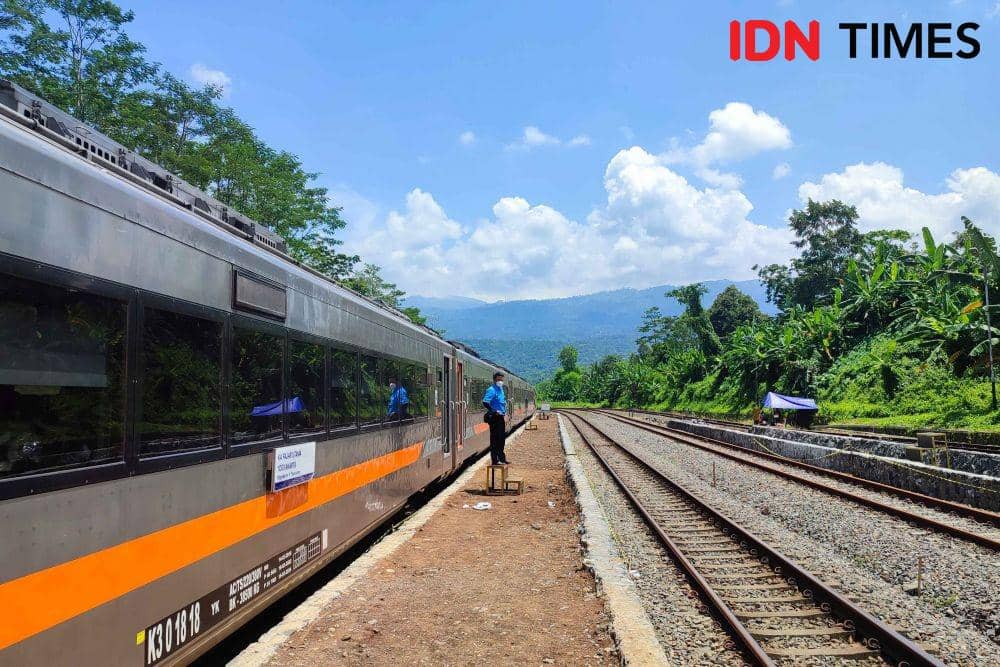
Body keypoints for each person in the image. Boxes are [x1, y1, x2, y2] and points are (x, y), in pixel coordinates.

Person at [482, 372, 508, 465]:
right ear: (494, 380)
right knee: (495, 440)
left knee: (501, 439)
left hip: (501, 417)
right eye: (498, 379)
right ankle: (495, 460)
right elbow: (485, 402)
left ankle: (502, 458)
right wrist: (493, 411)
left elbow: (502, 403)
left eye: (501, 379)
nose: (500, 381)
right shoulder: (491, 390)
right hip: (495, 418)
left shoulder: (500, 389)